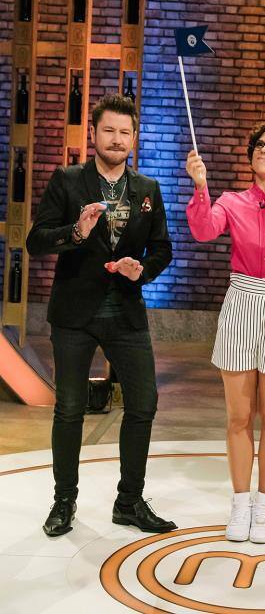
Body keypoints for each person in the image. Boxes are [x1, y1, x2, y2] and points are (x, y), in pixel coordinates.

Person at [26, 94, 176, 537]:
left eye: (124, 132)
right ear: (93, 133)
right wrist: (76, 231)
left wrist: (141, 269)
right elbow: (36, 241)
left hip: (126, 312)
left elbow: (162, 249)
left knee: (143, 404)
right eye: (108, 130)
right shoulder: (68, 180)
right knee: (70, 409)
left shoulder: (147, 189)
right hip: (74, 313)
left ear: (134, 138)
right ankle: (63, 502)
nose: (116, 139)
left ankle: (129, 502)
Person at [185, 123, 265, 543]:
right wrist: (201, 187)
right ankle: (240, 504)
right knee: (238, 417)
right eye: (260, 144)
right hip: (242, 300)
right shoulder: (231, 201)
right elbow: (203, 230)